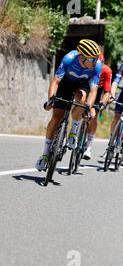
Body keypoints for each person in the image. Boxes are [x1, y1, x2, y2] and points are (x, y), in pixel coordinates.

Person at [35, 39, 102, 171]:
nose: (95, 62)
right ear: (82, 57)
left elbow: (93, 90)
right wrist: (51, 100)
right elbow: (55, 81)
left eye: (96, 59)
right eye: (92, 59)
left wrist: (88, 106)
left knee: (82, 99)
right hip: (65, 84)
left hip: (82, 86)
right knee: (56, 118)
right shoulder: (69, 59)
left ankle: (73, 133)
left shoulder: (97, 66)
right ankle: (45, 155)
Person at [83, 52, 113, 160]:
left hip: (97, 92)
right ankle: (77, 133)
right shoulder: (88, 67)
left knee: (93, 115)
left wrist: (102, 103)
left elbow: (107, 92)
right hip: (87, 89)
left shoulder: (107, 71)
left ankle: (89, 147)